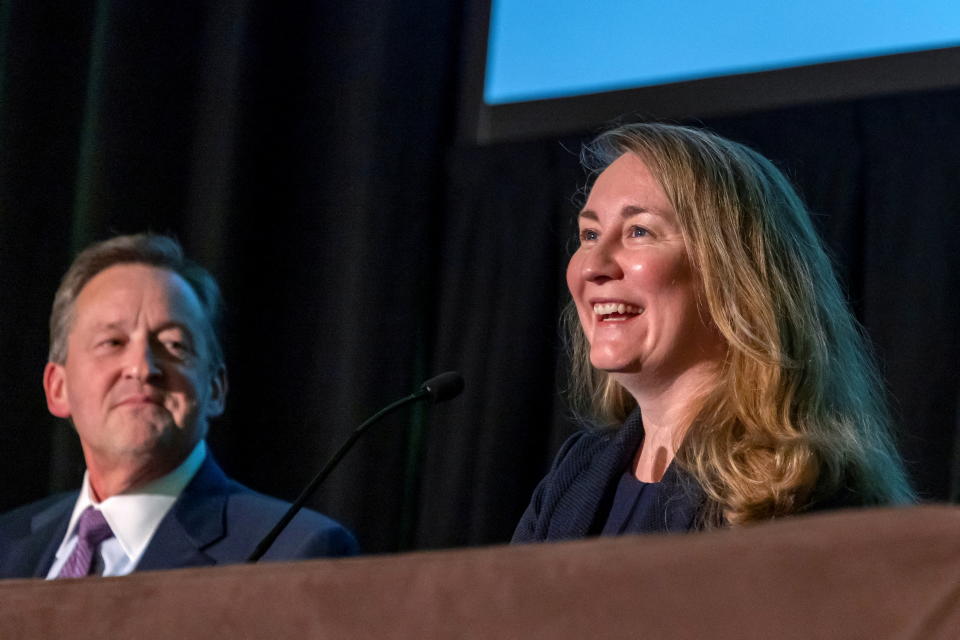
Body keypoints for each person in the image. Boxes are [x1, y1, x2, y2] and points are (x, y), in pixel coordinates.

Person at [513, 123, 914, 542]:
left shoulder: (801, 487)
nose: (593, 265)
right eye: (590, 234)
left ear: (733, 273)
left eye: (639, 232)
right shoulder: (577, 473)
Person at [0, 233, 357, 578]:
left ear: (215, 389)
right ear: (58, 388)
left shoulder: (296, 555)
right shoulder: (8, 544)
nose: (142, 368)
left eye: (174, 346)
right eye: (112, 342)